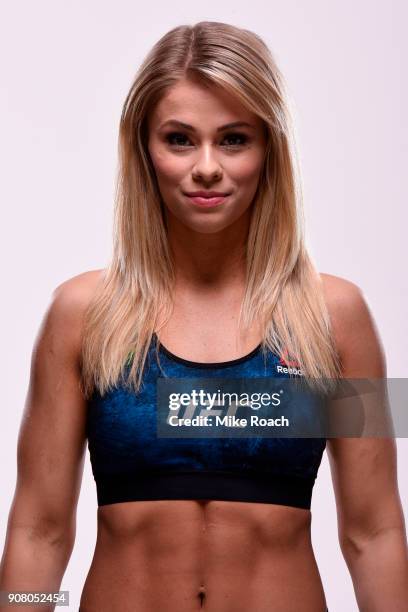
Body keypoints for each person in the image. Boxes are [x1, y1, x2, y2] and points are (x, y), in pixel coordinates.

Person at [1, 20, 407, 612]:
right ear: (144, 149)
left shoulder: (336, 318)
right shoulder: (83, 314)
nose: (208, 167)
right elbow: (39, 530)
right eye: (181, 139)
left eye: (235, 139)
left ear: (270, 149)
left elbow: (374, 534)